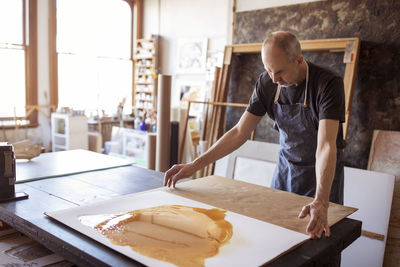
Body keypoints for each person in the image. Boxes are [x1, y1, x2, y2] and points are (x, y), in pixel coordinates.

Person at [164, 31, 345, 242]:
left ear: (299, 59)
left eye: (280, 72)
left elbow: (325, 146)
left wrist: (321, 202)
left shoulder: (327, 83)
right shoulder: (267, 83)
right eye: (268, 70)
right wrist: (194, 165)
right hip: (285, 171)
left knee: (319, 243)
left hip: (321, 178)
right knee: (278, 240)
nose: (275, 79)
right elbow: (239, 132)